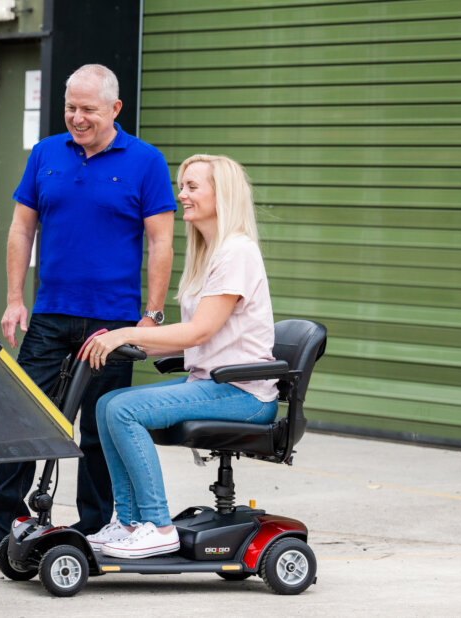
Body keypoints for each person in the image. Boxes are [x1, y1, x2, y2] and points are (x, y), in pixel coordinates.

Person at [0, 64, 177, 570]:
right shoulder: (45, 154)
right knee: (21, 421)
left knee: (98, 430)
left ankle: (93, 531)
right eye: (70, 107)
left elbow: (161, 241)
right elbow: (20, 231)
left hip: (111, 325)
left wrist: (151, 318)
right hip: (49, 315)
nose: (77, 117)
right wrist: (14, 297)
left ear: (115, 109)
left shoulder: (146, 161)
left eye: (87, 109)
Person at [79, 154, 278, 559]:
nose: (181, 195)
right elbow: (196, 339)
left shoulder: (236, 252)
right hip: (212, 383)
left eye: (191, 187)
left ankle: (157, 524)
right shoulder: (210, 252)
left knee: (123, 411)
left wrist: (127, 332)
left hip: (243, 392)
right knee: (105, 405)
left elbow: (200, 330)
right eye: (181, 185)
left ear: (221, 195)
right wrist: (126, 342)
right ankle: (131, 522)